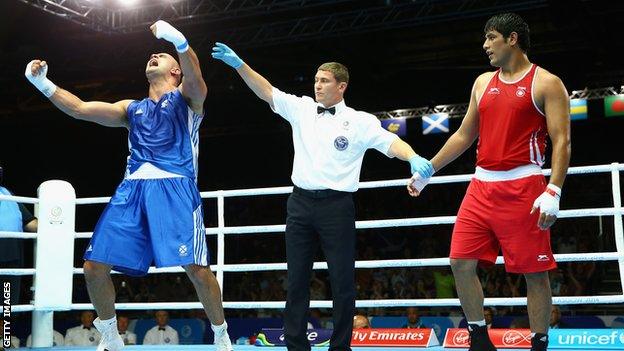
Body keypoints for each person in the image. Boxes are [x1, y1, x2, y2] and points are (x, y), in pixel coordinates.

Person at [25, 20, 232, 351]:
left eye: (161, 56)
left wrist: (178, 40)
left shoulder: (189, 99)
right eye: (154, 54)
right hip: (132, 190)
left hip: (175, 188)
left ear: (176, 72)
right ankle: (109, 333)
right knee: (93, 266)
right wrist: (42, 84)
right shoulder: (130, 109)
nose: (153, 54)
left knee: (196, 268)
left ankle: (221, 334)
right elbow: (79, 109)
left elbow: (196, 76)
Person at [212, 43, 432, 351]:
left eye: (324, 80)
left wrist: (412, 157)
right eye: (316, 79)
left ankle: (340, 347)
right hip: (299, 204)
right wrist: (239, 64)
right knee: (297, 280)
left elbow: (390, 140)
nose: (317, 84)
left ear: (341, 86)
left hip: (336, 207)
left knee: (342, 282)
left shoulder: (359, 121)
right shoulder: (302, 108)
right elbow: (266, 90)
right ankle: (295, 346)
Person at [408, 13, 570, 351]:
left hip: (524, 186)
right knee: (459, 262)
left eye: (491, 37)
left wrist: (553, 189)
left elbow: (562, 140)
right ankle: (479, 338)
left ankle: (539, 344)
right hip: (480, 187)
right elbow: (465, 135)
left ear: (512, 39)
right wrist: (428, 171)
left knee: (534, 273)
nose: (485, 46)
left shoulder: (546, 83)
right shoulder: (482, 82)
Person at [0, 163, 38, 305]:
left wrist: (53, 223)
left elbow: (29, 223)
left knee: (7, 304)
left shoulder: (6, 194)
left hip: (11, 261)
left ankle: (6, 327)